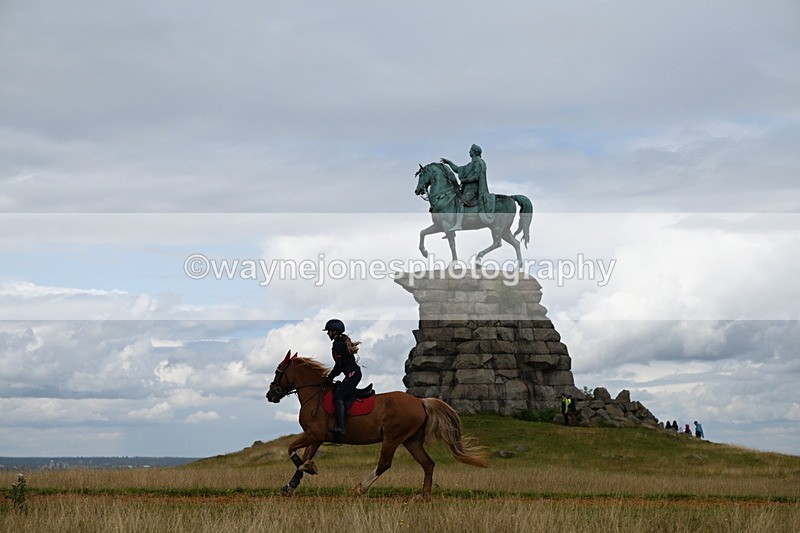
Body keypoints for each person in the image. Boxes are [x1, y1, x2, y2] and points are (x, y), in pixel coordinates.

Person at [440, 144, 496, 230]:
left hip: (474, 190)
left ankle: (458, 224)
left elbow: (476, 177)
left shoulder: (478, 162)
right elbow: (458, 169)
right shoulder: (471, 164)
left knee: (460, 201)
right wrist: (449, 163)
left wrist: (465, 180)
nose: (469, 151)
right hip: (467, 189)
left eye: (470, 150)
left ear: (474, 152)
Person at [322, 318, 362, 436]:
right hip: (353, 374)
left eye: (328, 331)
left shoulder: (338, 344)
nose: (328, 333)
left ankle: (341, 427)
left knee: (338, 397)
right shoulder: (340, 342)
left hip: (352, 374)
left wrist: (329, 378)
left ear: (334, 331)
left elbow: (338, 366)